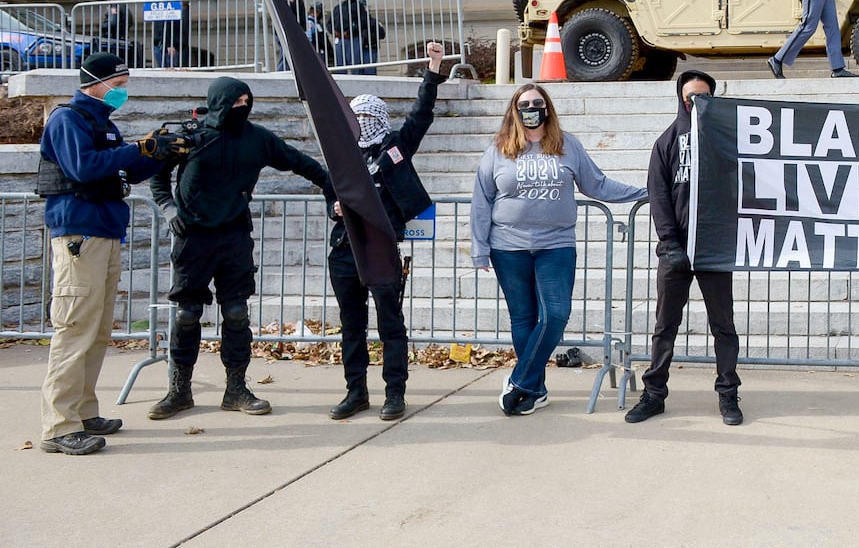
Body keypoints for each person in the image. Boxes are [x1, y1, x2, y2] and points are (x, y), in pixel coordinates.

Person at [147, 76, 334, 420]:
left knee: (236, 314)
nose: (241, 108)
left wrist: (333, 185)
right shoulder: (190, 137)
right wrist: (169, 208)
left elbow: (299, 162)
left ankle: (236, 389)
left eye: (246, 102)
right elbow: (157, 176)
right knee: (187, 316)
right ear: (219, 102)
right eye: (235, 102)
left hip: (234, 236)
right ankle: (179, 390)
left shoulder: (257, 138)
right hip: (193, 237)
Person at [36, 53, 191, 454]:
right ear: (96, 83)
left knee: (97, 330)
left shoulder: (103, 124)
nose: (122, 89)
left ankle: (84, 413)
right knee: (74, 331)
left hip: (103, 232)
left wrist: (156, 154)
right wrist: (139, 147)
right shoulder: (67, 119)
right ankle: (58, 425)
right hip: (78, 234)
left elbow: (120, 170)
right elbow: (84, 168)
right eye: (118, 82)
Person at [469, 84, 646, 416]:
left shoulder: (567, 145)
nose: (532, 108)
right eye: (524, 104)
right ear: (514, 111)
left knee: (556, 315)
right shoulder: (498, 150)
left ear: (547, 108)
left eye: (538, 102)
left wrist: (644, 192)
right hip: (508, 247)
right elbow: (482, 201)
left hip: (556, 245)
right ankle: (537, 390)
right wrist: (480, 248)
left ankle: (521, 381)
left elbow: (597, 184)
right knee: (522, 318)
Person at [327, 42, 447, 422]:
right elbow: (330, 194)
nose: (363, 122)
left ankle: (395, 392)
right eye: (356, 116)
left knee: (390, 323)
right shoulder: (341, 154)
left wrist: (433, 67)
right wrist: (333, 208)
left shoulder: (395, 147)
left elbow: (421, 115)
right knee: (352, 324)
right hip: (346, 250)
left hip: (381, 246)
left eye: (369, 115)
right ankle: (355, 391)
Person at [626, 70, 743, 427]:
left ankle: (728, 394)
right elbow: (658, 196)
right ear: (680, 98)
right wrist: (669, 242)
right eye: (690, 97)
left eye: (703, 97)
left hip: (714, 250)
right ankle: (654, 394)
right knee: (665, 325)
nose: (695, 103)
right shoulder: (666, 142)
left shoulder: (727, 141)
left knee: (723, 325)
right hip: (676, 251)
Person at [330, 0, 380, 76]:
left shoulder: (359, 7)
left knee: (355, 66)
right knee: (340, 65)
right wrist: (333, 31)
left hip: (354, 39)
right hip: (340, 40)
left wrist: (350, 32)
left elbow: (363, 22)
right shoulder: (338, 8)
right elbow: (330, 23)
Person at [277, 0, 308, 72]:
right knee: (287, 56)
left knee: (291, 56)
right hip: (288, 31)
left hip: (293, 31)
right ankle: (281, 75)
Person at [152, 0, 184, 69]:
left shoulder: (173, 14)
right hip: (159, 45)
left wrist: (170, 45)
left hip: (167, 46)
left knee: (170, 68)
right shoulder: (159, 14)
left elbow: (170, 29)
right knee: (164, 68)